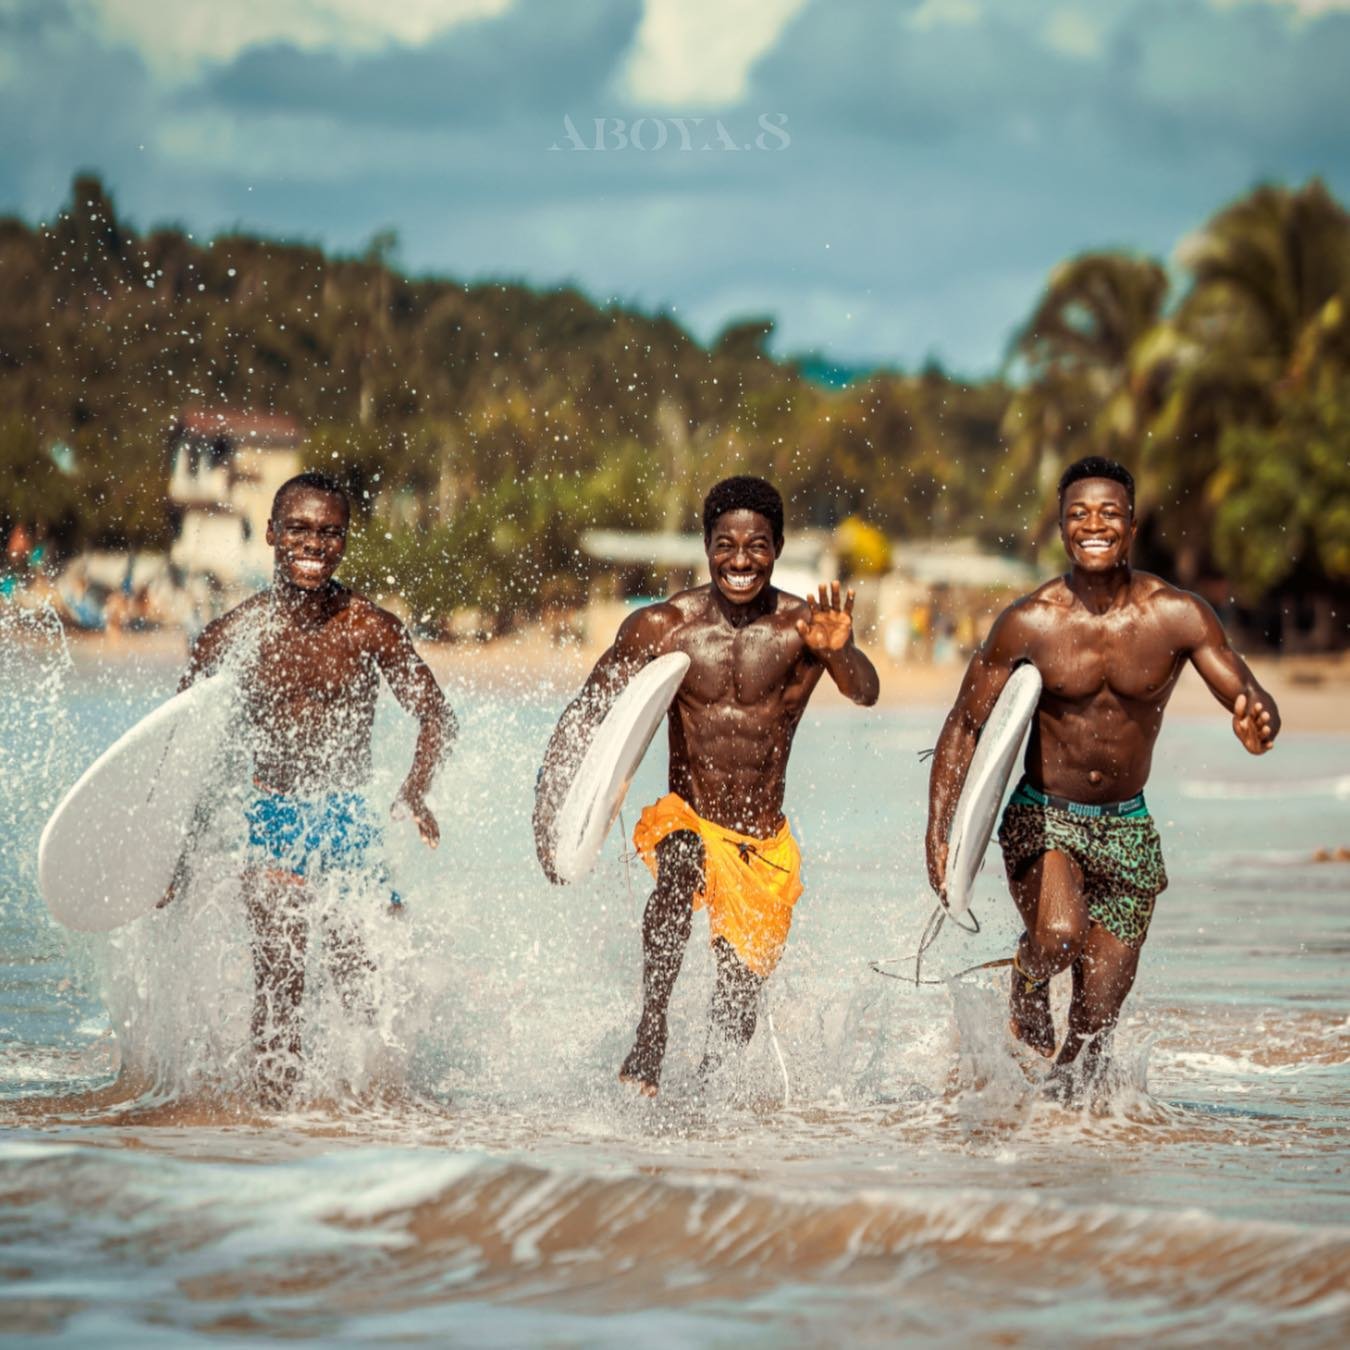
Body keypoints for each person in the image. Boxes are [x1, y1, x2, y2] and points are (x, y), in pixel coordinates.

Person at [924, 456, 1280, 1091]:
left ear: (1132, 525)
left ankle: (1064, 1143)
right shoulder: (1030, 621)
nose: (1094, 524)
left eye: (1108, 513)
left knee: (1094, 1029)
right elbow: (964, 726)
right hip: (1044, 815)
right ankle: (1027, 977)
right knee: (1058, 935)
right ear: (1061, 528)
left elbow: (1244, 690)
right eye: (1078, 514)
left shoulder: (1178, 615)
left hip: (1129, 826)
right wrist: (940, 829)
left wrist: (1259, 719)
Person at [535, 476, 880, 1096]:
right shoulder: (663, 626)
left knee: (734, 1011)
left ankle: (703, 1113)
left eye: (756, 546)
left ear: (777, 547)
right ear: (705, 544)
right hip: (686, 816)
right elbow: (590, 711)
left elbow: (866, 692)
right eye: (725, 545)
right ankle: (651, 1029)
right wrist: (552, 807)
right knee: (680, 865)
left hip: (761, 844)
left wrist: (842, 650)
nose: (740, 561)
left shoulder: (805, 629)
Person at [166, 472, 456, 1105]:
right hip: (272, 815)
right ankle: (274, 1128)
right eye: (298, 528)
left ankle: (357, 1119)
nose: (314, 544)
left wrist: (415, 791)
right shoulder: (230, 638)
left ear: (345, 543)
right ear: (271, 534)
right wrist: (176, 852)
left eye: (329, 532)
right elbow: (180, 747)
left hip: (348, 819)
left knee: (361, 984)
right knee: (280, 980)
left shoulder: (369, 627)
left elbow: (437, 714)